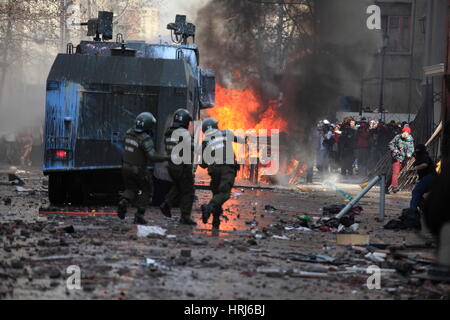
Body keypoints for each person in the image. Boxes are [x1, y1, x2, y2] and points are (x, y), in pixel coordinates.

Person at [117, 112, 169, 225]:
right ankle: (139, 215)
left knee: (131, 189)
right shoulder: (145, 139)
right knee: (147, 190)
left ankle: (123, 201)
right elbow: (152, 157)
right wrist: (167, 158)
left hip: (125, 168)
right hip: (139, 170)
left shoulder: (128, 133)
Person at [200, 118, 245, 229]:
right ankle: (209, 208)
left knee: (217, 194)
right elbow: (241, 140)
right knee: (224, 193)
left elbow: (204, 164)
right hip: (227, 168)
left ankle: (216, 222)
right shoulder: (226, 133)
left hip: (214, 170)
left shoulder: (205, 141)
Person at [159, 108, 197, 226]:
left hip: (172, 166)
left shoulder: (168, 134)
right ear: (185, 122)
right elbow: (192, 147)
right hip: (182, 167)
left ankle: (167, 204)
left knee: (178, 187)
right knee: (188, 192)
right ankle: (185, 217)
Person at [387, 126, 414, 193]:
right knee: (395, 172)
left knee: (396, 173)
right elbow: (390, 144)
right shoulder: (397, 137)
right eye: (404, 132)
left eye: (406, 132)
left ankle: (386, 186)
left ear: (409, 133)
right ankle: (394, 187)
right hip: (396, 157)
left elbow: (411, 149)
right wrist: (394, 149)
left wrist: (409, 153)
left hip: (404, 159)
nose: (405, 133)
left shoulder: (410, 140)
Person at [408, 144, 436, 210]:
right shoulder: (422, 156)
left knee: (416, 192)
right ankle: (426, 209)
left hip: (429, 177)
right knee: (418, 194)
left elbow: (424, 165)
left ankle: (412, 211)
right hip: (431, 178)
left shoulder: (423, 156)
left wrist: (414, 168)